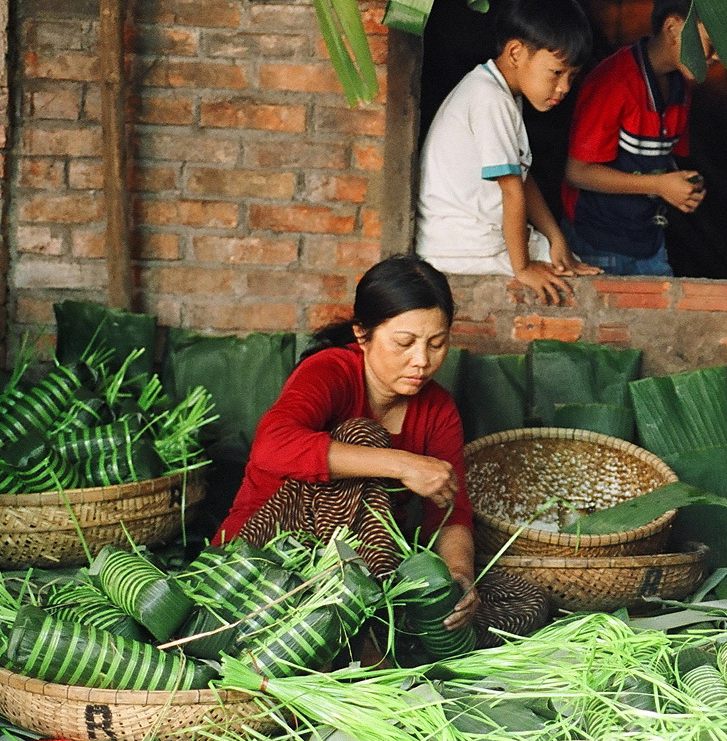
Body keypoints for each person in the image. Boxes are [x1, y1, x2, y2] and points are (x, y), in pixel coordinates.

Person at [215, 255, 550, 645]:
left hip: (373, 568)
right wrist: (402, 464)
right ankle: (364, 625)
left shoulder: (437, 409)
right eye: (404, 343)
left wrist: (459, 575)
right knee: (362, 435)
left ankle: (376, 624)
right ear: (363, 335)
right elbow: (271, 446)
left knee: (524, 600)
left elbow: (449, 510)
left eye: (437, 344)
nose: (422, 361)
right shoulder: (331, 371)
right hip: (270, 560)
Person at [416, 0, 600, 305]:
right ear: (516, 53)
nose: (564, 87)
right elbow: (512, 190)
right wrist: (524, 268)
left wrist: (555, 238)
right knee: (571, 285)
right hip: (462, 247)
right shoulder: (489, 99)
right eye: (557, 73)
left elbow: (522, 180)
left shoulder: (501, 92)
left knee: (564, 259)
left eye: (572, 77)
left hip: (472, 240)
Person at [561, 0, 719, 276]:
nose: (718, 57)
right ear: (673, 29)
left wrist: (682, 185)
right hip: (596, 244)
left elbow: (663, 162)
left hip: (648, 241)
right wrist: (659, 185)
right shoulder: (613, 82)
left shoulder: (680, 86)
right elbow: (577, 172)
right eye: (712, 44)